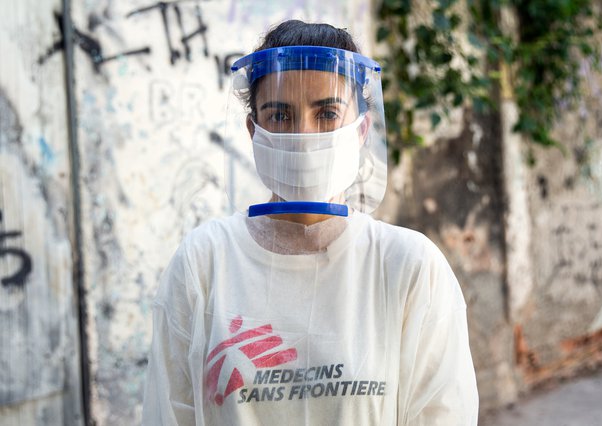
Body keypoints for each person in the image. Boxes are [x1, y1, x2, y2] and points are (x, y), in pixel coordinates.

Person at [143, 20, 478, 425]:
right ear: (254, 131)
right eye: (280, 115)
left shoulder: (409, 267)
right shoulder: (204, 263)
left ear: (361, 130)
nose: (303, 134)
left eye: (328, 113)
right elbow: (169, 414)